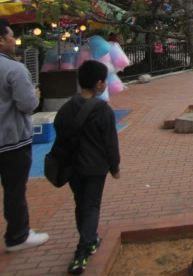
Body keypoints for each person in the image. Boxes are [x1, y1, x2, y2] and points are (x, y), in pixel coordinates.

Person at [54, 60, 121, 274]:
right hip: (95, 167)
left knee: (80, 203)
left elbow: (59, 130)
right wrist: (115, 166)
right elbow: (110, 142)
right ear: (99, 84)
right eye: (104, 81)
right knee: (92, 206)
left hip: (72, 168)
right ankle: (83, 252)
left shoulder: (66, 108)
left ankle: (90, 238)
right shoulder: (103, 111)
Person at [0, 19, 50, 253]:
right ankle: (18, 235)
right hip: (11, 141)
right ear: (1, 40)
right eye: (11, 36)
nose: (14, 40)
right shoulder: (14, 68)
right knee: (15, 189)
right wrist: (36, 95)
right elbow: (28, 103)